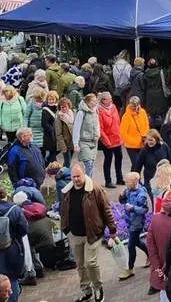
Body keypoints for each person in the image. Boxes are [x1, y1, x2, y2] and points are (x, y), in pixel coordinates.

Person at [59, 163, 117, 302]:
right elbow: (64, 209)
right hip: (75, 234)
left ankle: (98, 288)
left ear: (84, 174)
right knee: (80, 265)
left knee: (90, 263)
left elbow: (106, 209)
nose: (76, 179)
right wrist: (65, 228)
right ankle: (87, 291)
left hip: (92, 233)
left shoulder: (95, 189)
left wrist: (112, 229)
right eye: (73, 177)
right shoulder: (67, 191)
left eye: (78, 176)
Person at [146, 199, 171, 296]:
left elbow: (150, 244)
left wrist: (157, 267)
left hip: (160, 268)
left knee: (164, 294)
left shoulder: (155, 219)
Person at [118, 172, 150, 280]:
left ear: (135, 181)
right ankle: (150, 253)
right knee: (136, 242)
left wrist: (132, 208)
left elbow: (145, 209)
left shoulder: (141, 193)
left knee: (131, 245)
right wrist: (121, 196)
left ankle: (130, 268)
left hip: (137, 224)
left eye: (128, 181)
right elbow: (123, 201)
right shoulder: (128, 190)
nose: (126, 183)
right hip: (129, 221)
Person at [72, 93, 100, 177]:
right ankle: (88, 183)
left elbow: (98, 124)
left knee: (91, 163)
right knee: (89, 163)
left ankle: (88, 181)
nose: (95, 103)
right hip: (84, 141)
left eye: (96, 101)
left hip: (94, 141)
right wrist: (76, 144)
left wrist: (98, 134)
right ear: (88, 102)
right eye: (93, 101)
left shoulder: (95, 111)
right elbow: (76, 128)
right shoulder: (81, 113)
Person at [121, 96, 151, 169]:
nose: (133, 108)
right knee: (136, 163)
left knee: (140, 164)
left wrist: (145, 136)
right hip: (131, 145)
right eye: (131, 106)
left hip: (142, 143)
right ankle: (133, 179)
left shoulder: (143, 112)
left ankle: (136, 179)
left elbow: (146, 125)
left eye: (134, 106)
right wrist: (131, 141)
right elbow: (123, 132)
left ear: (138, 105)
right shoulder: (126, 116)